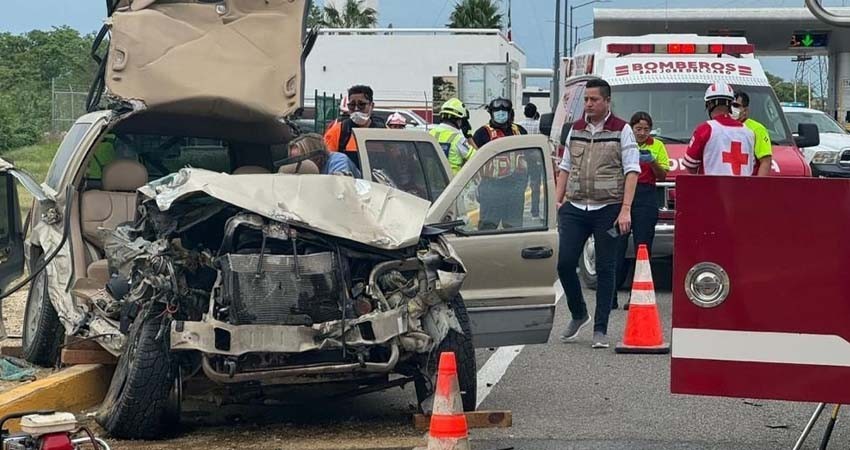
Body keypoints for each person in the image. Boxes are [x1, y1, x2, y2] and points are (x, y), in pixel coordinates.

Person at [554, 77, 640, 349]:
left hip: (609, 207)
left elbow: (632, 171)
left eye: (594, 100)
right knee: (565, 263)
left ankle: (600, 328)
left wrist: (625, 209)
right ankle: (579, 313)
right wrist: (558, 202)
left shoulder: (622, 130)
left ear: (607, 102)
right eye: (586, 99)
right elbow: (565, 167)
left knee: (606, 268)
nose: (588, 104)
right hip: (576, 206)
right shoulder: (576, 129)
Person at [613, 112, 669, 310]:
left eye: (646, 129)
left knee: (642, 248)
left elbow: (663, 175)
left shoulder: (657, 145)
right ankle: (611, 294)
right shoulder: (624, 143)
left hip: (646, 197)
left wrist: (651, 161)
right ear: (632, 128)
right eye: (638, 129)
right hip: (624, 196)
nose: (642, 133)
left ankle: (635, 295)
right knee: (616, 246)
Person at [472, 97, 528, 230]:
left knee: (513, 228)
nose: (501, 113)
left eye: (504, 110)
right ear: (491, 113)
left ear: (510, 113)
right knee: (487, 228)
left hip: (515, 190)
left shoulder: (520, 132)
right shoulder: (482, 133)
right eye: (497, 111)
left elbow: (529, 157)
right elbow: (473, 160)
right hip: (491, 189)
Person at [683, 82, 755, 176]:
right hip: (742, 189)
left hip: (712, 189)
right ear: (730, 104)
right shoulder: (749, 132)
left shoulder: (705, 129)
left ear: (709, 105)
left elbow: (690, 166)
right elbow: (751, 165)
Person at [323, 85, 386, 154]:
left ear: (372, 106)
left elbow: (394, 157)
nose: (356, 109)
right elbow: (328, 159)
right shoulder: (338, 131)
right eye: (352, 105)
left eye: (361, 104)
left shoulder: (383, 132)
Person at [429, 98, 475, 174]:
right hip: (453, 182)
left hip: (431, 181)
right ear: (459, 120)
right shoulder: (458, 138)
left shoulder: (430, 134)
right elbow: (476, 158)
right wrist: (469, 137)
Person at [733, 91, 773, 176]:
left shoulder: (757, 129)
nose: (732, 108)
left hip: (748, 182)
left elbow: (765, 161)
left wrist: (758, 186)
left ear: (745, 110)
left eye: (736, 105)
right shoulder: (719, 127)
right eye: (729, 105)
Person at [289, 133, 361, 177]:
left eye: (299, 159)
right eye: (293, 160)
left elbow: (338, 186)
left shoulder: (338, 161)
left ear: (316, 157)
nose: (295, 164)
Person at [519, 102, 544, 217]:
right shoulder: (538, 125)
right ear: (535, 113)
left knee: (521, 186)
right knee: (535, 186)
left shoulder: (519, 125)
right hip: (535, 159)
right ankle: (535, 211)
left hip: (522, 159)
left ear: (524, 113)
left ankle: (519, 209)